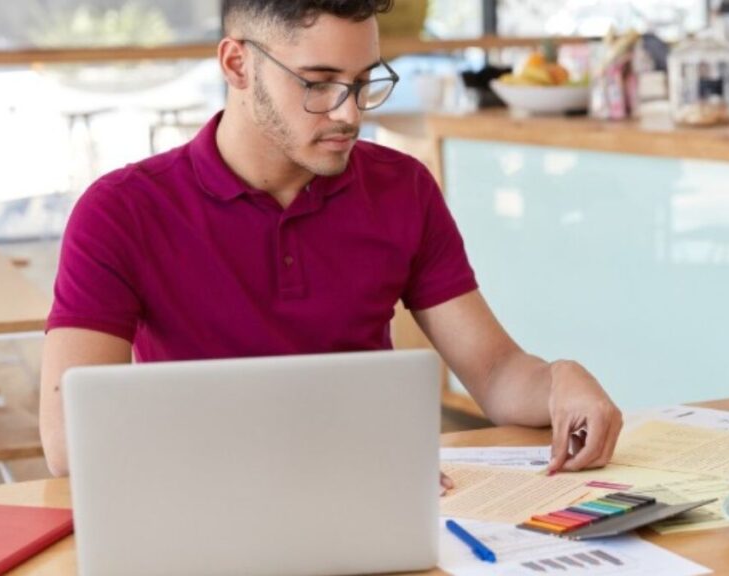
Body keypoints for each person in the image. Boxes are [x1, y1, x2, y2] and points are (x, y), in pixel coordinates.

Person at [39, 0, 623, 482]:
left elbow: (494, 373)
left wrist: (558, 380)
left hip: (378, 504)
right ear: (238, 65)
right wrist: (316, 459)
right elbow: (69, 443)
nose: (349, 113)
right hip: (208, 505)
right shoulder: (121, 212)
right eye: (318, 84)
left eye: (364, 82)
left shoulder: (403, 188)